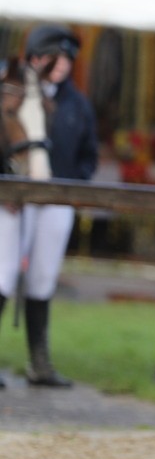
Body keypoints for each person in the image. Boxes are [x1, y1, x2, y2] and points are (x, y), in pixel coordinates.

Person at [0, 25, 99, 389]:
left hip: (55, 200)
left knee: (43, 278)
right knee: (2, 273)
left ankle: (39, 362)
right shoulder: (12, 92)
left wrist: (69, 186)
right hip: (11, 201)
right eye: (52, 58)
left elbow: (88, 155)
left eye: (66, 59)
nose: (60, 65)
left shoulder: (77, 105)